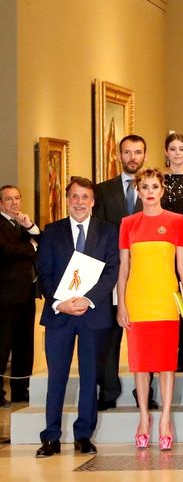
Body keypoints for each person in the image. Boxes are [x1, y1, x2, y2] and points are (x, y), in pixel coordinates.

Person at [34, 177, 119, 457]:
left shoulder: (108, 232)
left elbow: (111, 271)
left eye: (85, 197)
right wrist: (61, 303)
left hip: (93, 315)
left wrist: (87, 299)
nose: (79, 202)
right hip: (60, 316)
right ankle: (51, 436)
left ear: (93, 201)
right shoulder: (51, 231)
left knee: (89, 376)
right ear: (67, 200)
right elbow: (43, 274)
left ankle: (84, 435)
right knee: (56, 376)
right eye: (74, 197)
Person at [116, 168, 183, 450]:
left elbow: (182, 261)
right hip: (138, 301)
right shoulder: (128, 223)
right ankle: (143, 418)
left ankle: (164, 420)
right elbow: (124, 267)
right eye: (144, 187)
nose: (149, 191)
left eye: (154, 187)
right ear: (138, 191)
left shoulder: (176, 221)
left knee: (165, 364)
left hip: (165, 300)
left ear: (162, 190)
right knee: (140, 362)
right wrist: (121, 303)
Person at [92, 133, 147, 411]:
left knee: (142, 335)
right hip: (112, 271)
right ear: (119, 155)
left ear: (144, 156)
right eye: (127, 152)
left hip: (146, 273)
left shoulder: (153, 188)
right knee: (111, 333)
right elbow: (99, 231)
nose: (132, 157)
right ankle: (109, 389)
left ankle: (144, 391)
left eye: (138, 152)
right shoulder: (103, 190)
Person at [0, 185, 38, 407]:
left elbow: (42, 240)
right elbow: (6, 250)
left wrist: (30, 227)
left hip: (26, 294)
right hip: (5, 297)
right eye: (8, 199)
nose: (14, 203)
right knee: (3, 344)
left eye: (17, 198)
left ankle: (20, 389)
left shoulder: (21, 223)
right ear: (1, 203)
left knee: (25, 344)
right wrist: (30, 248)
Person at [162, 132, 183, 210]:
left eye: (181, 149)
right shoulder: (158, 178)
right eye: (173, 149)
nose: (177, 153)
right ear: (166, 152)